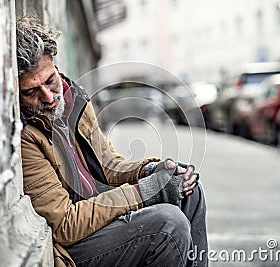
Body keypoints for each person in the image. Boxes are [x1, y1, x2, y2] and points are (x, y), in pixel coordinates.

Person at [17, 16, 208, 267]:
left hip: (100, 214)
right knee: (168, 224)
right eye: (31, 92)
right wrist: (145, 191)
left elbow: (107, 165)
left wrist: (150, 171)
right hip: (76, 245)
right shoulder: (26, 138)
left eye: (50, 81)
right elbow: (65, 225)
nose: (49, 97)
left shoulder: (73, 101)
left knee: (187, 189)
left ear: (55, 66)